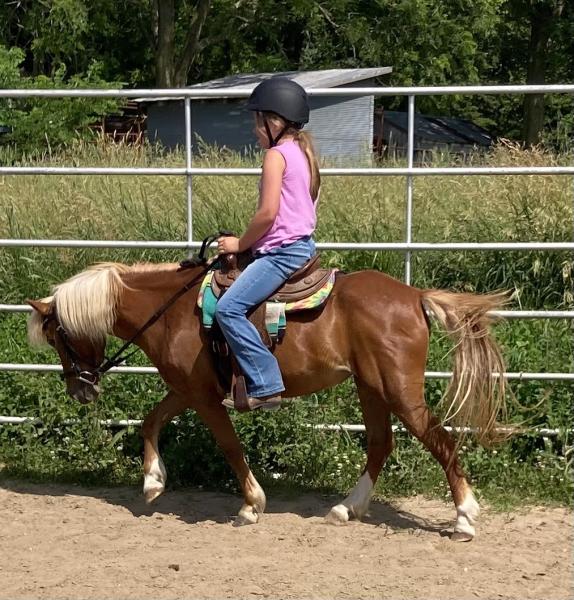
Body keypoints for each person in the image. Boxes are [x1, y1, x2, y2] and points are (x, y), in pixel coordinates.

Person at [214, 77, 321, 411]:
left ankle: (266, 382)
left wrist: (238, 243)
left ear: (274, 121)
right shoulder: (302, 152)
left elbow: (267, 214)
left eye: (257, 121)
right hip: (302, 245)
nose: (255, 129)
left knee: (227, 310)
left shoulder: (276, 155)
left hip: (281, 254)